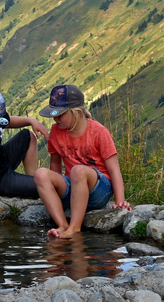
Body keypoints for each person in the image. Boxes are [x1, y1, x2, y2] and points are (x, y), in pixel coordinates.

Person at [31, 84, 132, 238]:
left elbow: (114, 170)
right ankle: (62, 225)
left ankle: (74, 229)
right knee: (40, 174)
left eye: (60, 115)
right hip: (74, 189)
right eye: (54, 114)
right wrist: (53, 192)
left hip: (99, 191)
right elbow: (55, 166)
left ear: (77, 112)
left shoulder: (99, 132)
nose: (55, 119)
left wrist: (120, 202)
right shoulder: (56, 132)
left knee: (78, 170)